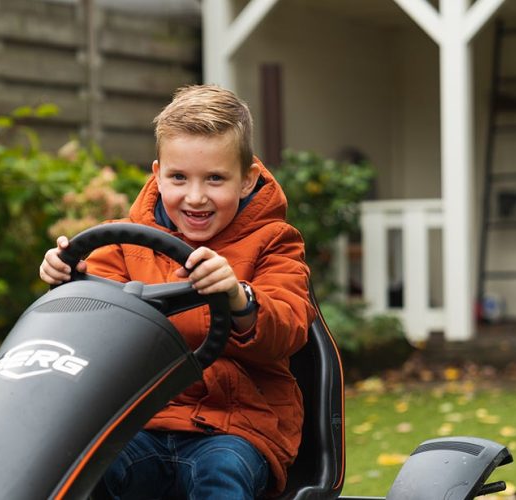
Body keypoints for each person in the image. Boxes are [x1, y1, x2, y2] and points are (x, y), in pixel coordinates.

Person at [40, 84, 315, 499]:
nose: (195, 197)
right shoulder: (120, 244)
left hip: (234, 427)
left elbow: (289, 328)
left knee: (221, 474)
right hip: (141, 422)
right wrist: (67, 281)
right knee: (80, 468)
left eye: (215, 179)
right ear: (158, 175)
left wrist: (239, 297)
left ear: (246, 180)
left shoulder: (275, 242)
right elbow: (92, 332)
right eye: (179, 178)